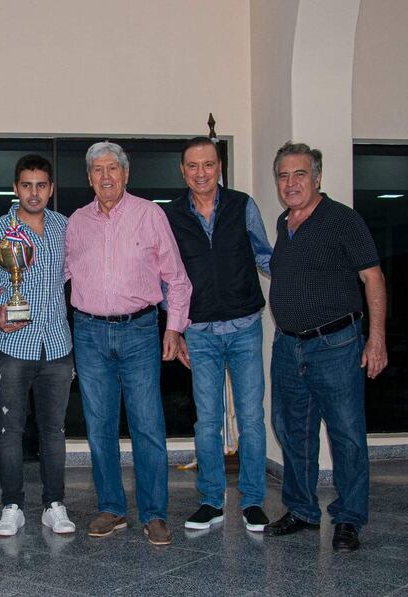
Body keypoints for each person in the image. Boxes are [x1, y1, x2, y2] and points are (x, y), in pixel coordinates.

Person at [65, 141, 191, 545]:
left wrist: (173, 328)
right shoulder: (76, 222)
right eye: (98, 170)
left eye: (112, 169)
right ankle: (111, 508)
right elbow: (58, 276)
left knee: (147, 425)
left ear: (125, 174)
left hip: (139, 331)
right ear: (89, 178)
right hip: (89, 332)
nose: (105, 176)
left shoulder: (150, 215)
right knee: (99, 425)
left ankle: (154, 514)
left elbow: (177, 278)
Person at [264, 142, 388, 552]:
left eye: (299, 174)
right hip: (288, 346)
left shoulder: (342, 220)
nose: (291, 183)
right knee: (292, 431)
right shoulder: (285, 223)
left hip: (336, 344)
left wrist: (377, 339)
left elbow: (373, 278)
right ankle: (302, 510)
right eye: (283, 175)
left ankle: (349, 517)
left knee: (347, 434)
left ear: (317, 178)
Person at [165, 137, 272, 532]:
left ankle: (254, 502)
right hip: (200, 333)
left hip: (245, 326)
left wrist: (301, 276)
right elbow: (169, 277)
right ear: (182, 170)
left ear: (219, 167)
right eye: (192, 166)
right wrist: (174, 327)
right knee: (207, 421)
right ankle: (211, 500)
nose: (201, 173)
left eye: (208, 164)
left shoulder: (243, 205)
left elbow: (264, 255)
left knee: (251, 419)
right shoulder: (172, 215)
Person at [0, 154, 75, 537]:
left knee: (54, 430)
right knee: (9, 430)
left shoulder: (65, 227)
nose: (34, 193)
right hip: (12, 345)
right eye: (27, 185)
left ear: (50, 189)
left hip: (57, 346)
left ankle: (54, 504)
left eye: (42, 185)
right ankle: (12, 504)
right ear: (16, 188)